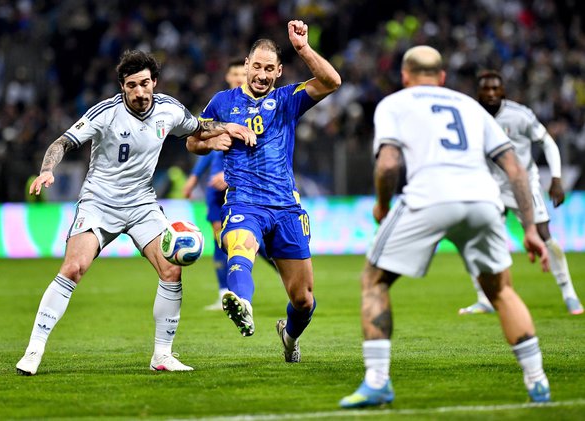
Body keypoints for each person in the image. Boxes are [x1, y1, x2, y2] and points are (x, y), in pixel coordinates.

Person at [15, 50, 255, 376]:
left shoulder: (169, 109)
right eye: (132, 85)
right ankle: (34, 350)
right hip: (99, 202)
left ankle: (162, 355)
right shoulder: (106, 112)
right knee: (73, 268)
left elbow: (198, 127)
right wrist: (46, 170)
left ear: (154, 82)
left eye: (144, 83)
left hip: (142, 203)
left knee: (171, 270)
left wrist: (228, 128)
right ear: (122, 87)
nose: (139, 91)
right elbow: (62, 143)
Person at [340, 46, 551, 408]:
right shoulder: (470, 105)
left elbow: (388, 164)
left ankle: (377, 381)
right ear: (441, 77)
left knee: (374, 280)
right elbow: (515, 169)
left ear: (405, 76)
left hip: (430, 196)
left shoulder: (395, 103)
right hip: (483, 199)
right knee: (501, 290)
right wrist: (530, 228)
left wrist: (383, 206)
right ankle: (538, 382)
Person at [186, 20, 341, 362]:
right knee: (240, 246)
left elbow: (332, 81)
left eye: (269, 69)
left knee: (303, 299)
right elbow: (192, 141)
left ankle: (289, 336)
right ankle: (242, 303)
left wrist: (303, 49)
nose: (261, 74)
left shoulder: (287, 99)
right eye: (256, 66)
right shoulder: (223, 102)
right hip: (244, 201)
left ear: (279, 71)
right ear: (246, 66)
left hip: (285, 207)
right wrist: (213, 141)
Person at [459, 70, 583, 316]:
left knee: (544, 235)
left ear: (503, 90)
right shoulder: (470, 115)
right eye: (486, 89)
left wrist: (556, 179)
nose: (491, 93)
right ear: (478, 92)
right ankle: (484, 299)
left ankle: (569, 293)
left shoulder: (520, 115)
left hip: (524, 183)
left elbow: (547, 142)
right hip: (489, 185)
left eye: (496, 88)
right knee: (477, 238)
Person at [183, 59, 277, 311]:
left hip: (242, 186)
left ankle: (279, 266)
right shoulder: (222, 105)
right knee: (221, 239)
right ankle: (225, 291)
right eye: (233, 73)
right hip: (216, 187)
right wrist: (194, 177)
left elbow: (260, 150)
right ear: (227, 76)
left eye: (240, 73)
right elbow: (203, 142)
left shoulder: (256, 108)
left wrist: (227, 175)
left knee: (247, 240)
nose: (237, 78)